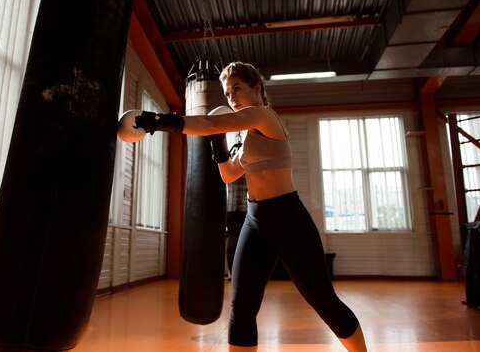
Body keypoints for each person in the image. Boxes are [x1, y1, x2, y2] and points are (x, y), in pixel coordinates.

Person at [134, 61, 368, 351]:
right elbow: (229, 174)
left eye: (237, 89)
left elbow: (208, 123)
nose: (231, 98)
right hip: (255, 220)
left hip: (287, 217)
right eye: (227, 93)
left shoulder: (264, 117)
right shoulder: (245, 137)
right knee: (242, 306)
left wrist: (158, 122)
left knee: (323, 300)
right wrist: (218, 145)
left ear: (257, 87)